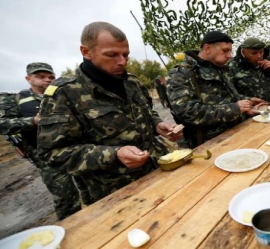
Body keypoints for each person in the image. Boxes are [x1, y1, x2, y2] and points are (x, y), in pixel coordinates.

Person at [37, 22, 182, 202]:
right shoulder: (63, 93)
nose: (122, 61)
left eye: (125, 54)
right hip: (117, 193)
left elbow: (146, 112)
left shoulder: (132, 82)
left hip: (159, 171)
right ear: (86, 52)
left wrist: (157, 125)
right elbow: (52, 154)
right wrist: (114, 154)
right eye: (111, 55)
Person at [0, 63, 86, 220]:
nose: (47, 80)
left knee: (89, 189)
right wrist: (33, 121)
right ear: (28, 78)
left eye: (51, 77)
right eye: (41, 77)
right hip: (46, 156)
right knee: (66, 199)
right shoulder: (15, 99)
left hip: (75, 149)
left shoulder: (63, 95)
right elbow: (1, 125)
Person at [166, 31, 263, 148]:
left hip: (236, 134)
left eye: (230, 51)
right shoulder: (182, 73)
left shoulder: (219, 68)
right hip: (210, 145)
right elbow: (187, 112)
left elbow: (229, 97)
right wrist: (234, 109)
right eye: (225, 50)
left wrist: (248, 103)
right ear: (207, 48)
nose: (230, 55)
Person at [228, 38, 270, 102]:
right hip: (251, 108)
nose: (259, 56)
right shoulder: (233, 67)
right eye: (254, 53)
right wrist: (249, 100)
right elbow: (230, 94)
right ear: (244, 53)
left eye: (261, 52)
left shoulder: (268, 61)